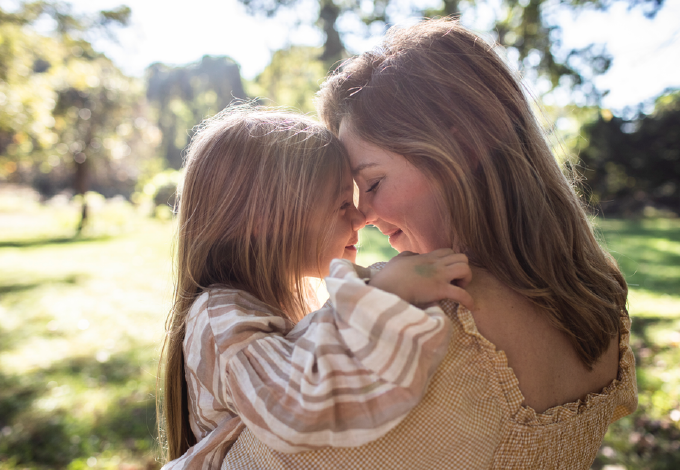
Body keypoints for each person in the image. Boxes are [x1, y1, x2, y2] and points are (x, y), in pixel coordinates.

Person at [221, 19, 637, 469]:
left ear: (459, 149)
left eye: (373, 183)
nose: (366, 217)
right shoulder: (602, 309)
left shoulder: (411, 323)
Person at [158, 106, 476, 469]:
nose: (362, 218)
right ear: (265, 220)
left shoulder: (256, 306)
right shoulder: (219, 318)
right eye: (343, 204)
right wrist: (384, 294)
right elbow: (295, 407)